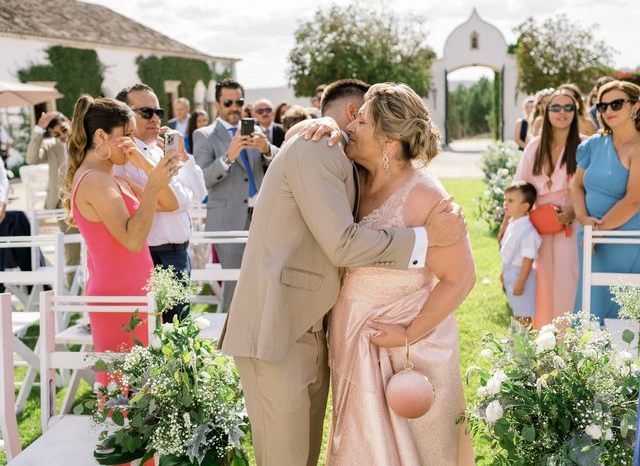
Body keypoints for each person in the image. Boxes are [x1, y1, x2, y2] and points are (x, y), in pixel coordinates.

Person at [219, 78, 468, 466]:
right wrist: (422, 238)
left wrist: (407, 333)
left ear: (388, 140)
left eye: (362, 122)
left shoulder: (421, 192)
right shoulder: (329, 153)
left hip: (388, 343)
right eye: (352, 118)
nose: (350, 128)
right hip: (287, 327)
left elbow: (461, 277)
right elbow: (342, 244)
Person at [61, 95, 178, 382]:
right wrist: (150, 188)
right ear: (101, 136)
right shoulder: (94, 180)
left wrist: (145, 164)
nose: (131, 143)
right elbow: (131, 239)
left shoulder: (116, 179)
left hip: (137, 292)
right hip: (117, 297)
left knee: (147, 388)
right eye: (126, 136)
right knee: (124, 392)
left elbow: (170, 202)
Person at [115, 84, 206, 322]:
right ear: (126, 115)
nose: (155, 118)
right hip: (152, 255)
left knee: (178, 332)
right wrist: (171, 198)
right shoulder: (123, 156)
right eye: (146, 112)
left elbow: (197, 193)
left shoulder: (160, 149)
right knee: (159, 335)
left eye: (159, 112)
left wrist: (183, 156)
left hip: (179, 253)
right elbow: (174, 202)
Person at [193, 79, 278, 312]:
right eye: (228, 102)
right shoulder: (205, 135)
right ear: (217, 105)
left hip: (262, 216)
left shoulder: (256, 130)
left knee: (265, 280)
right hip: (227, 220)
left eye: (238, 101)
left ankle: (259, 338)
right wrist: (228, 157)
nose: (234, 107)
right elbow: (202, 179)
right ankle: (229, 340)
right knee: (236, 283)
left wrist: (267, 149)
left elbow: (282, 163)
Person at [502, 88, 582, 329]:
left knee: (569, 280)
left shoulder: (585, 146)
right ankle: (544, 341)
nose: (562, 112)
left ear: (575, 112)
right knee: (542, 281)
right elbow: (520, 188)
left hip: (571, 222)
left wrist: (574, 210)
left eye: (568, 107)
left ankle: (569, 342)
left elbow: (592, 188)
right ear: (546, 112)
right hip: (538, 226)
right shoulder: (534, 147)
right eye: (555, 107)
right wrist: (507, 225)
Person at [572, 80, 640, 322]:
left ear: (635, 106)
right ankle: (589, 359)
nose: (608, 111)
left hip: (626, 238)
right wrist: (583, 220)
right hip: (590, 236)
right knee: (591, 303)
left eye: (617, 104)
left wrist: (598, 230)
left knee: (624, 310)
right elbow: (577, 185)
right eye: (602, 106)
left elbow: (635, 199)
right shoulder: (591, 145)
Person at [26, 111, 80, 283]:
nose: (63, 136)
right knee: (71, 251)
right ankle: (74, 299)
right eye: (57, 134)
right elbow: (31, 159)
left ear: (68, 121)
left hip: (87, 201)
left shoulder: (84, 141)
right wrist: (39, 128)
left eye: (64, 130)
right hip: (63, 207)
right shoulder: (51, 146)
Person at [499, 181, 541, 327]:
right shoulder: (513, 224)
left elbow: (528, 260)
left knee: (523, 315)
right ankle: (518, 343)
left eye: (510, 201)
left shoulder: (528, 232)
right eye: (505, 199)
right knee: (517, 311)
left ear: (525, 207)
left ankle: (522, 345)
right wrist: (503, 272)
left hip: (521, 277)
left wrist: (521, 282)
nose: (505, 203)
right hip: (511, 274)